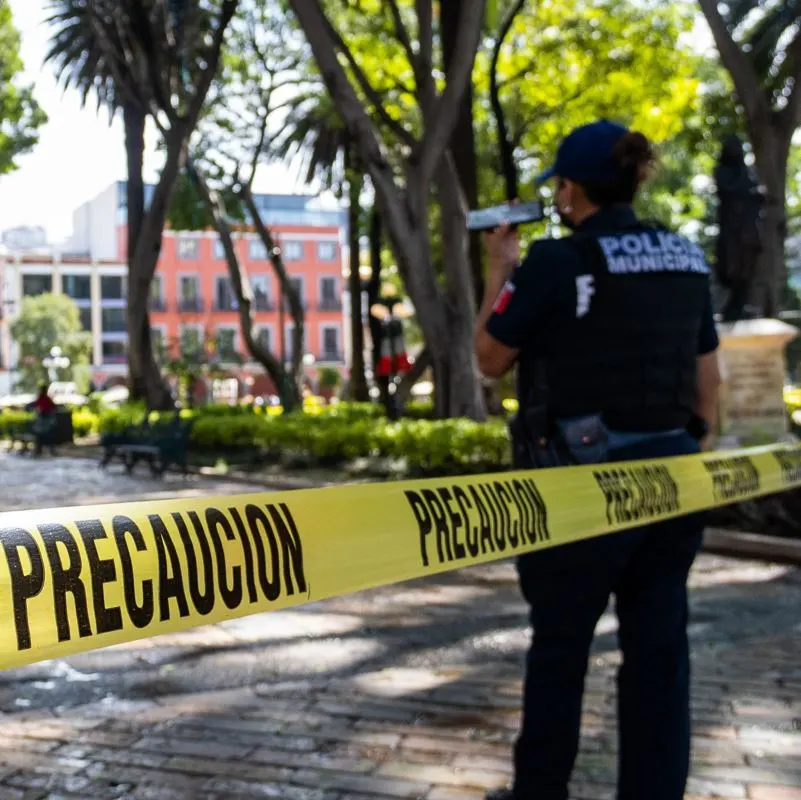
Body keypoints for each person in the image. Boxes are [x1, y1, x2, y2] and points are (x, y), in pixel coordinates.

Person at [473, 120, 721, 800]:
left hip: (576, 489)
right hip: (672, 483)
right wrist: (689, 448)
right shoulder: (683, 256)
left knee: (559, 652)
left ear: (569, 189)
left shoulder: (555, 262)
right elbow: (709, 381)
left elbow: (489, 357)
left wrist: (500, 268)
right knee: (659, 655)